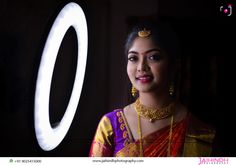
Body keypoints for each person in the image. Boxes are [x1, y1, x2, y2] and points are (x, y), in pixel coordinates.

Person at [89, 19, 216, 157]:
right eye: (133, 58)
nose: (141, 67)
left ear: (174, 65)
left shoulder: (197, 132)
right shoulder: (110, 126)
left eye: (153, 57)